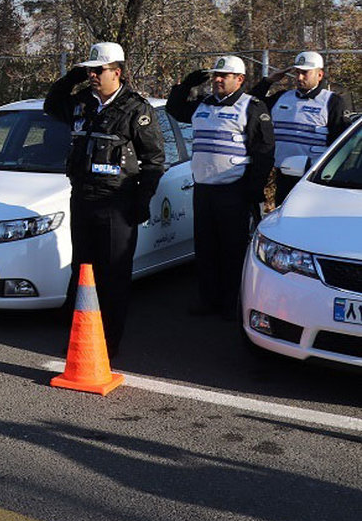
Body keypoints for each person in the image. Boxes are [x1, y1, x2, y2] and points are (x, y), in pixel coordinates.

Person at [44, 42, 165, 356]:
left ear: (117, 72)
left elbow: (153, 161)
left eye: (98, 70)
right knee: (83, 272)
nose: (93, 76)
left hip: (116, 202)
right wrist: (73, 76)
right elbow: (52, 104)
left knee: (113, 277)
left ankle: (108, 345)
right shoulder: (83, 102)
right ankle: (81, 339)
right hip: (83, 198)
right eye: (90, 70)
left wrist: (142, 199)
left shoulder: (137, 109)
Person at [166, 54, 274, 319]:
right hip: (204, 189)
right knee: (205, 247)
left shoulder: (252, 106)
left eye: (223, 76)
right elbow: (174, 108)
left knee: (231, 248)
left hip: (233, 189)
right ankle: (208, 299)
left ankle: (230, 302)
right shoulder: (203, 104)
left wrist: (253, 187)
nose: (216, 80)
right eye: (215, 75)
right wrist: (186, 85)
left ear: (239, 79)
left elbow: (264, 150)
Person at [249, 51, 351, 205]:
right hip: (283, 176)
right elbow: (249, 105)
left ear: (319, 75)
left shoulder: (332, 101)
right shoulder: (282, 97)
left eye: (305, 73)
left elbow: (341, 144)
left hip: (314, 179)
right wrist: (268, 81)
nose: (299, 78)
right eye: (297, 73)